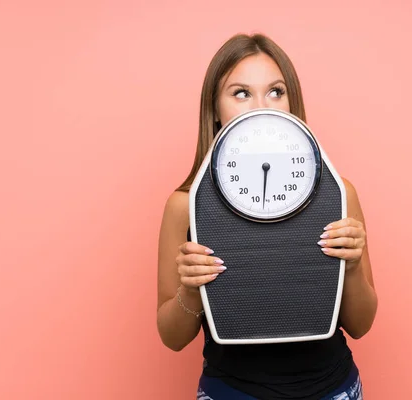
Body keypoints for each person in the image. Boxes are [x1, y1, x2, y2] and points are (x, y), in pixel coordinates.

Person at [156, 33, 378, 400]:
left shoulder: (339, 194)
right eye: (241, 93)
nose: (261, 106)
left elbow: (362, 325)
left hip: (333, 389)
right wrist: (191, 288)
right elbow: (172, 337)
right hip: (231, 392)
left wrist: (351, 266)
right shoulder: (186, 204)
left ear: (292, 103)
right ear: (214, 108)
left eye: (276, 91)